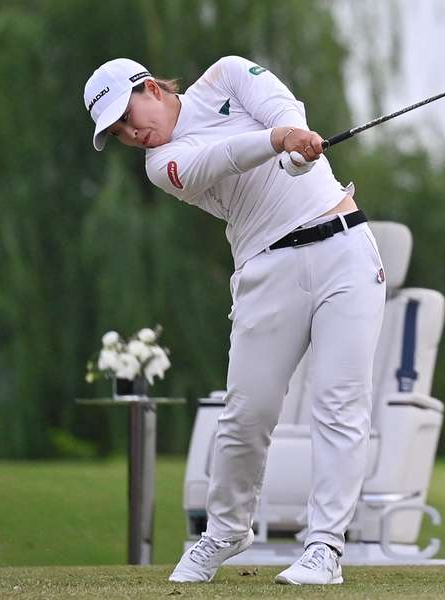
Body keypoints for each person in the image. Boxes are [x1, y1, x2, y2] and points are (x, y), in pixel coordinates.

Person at [83, 56, 386, 585]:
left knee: (339, 403)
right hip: (266, 267)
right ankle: (225, 530)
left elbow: (280, 107)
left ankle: (324, 549)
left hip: (345, 247)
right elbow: (218, 158)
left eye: (128, 118)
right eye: (119, 133)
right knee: (248, 413)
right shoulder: (163, 165)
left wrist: (295, 140)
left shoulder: (225, 75)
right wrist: (278, 142)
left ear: (150, 88)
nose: (133, 134)